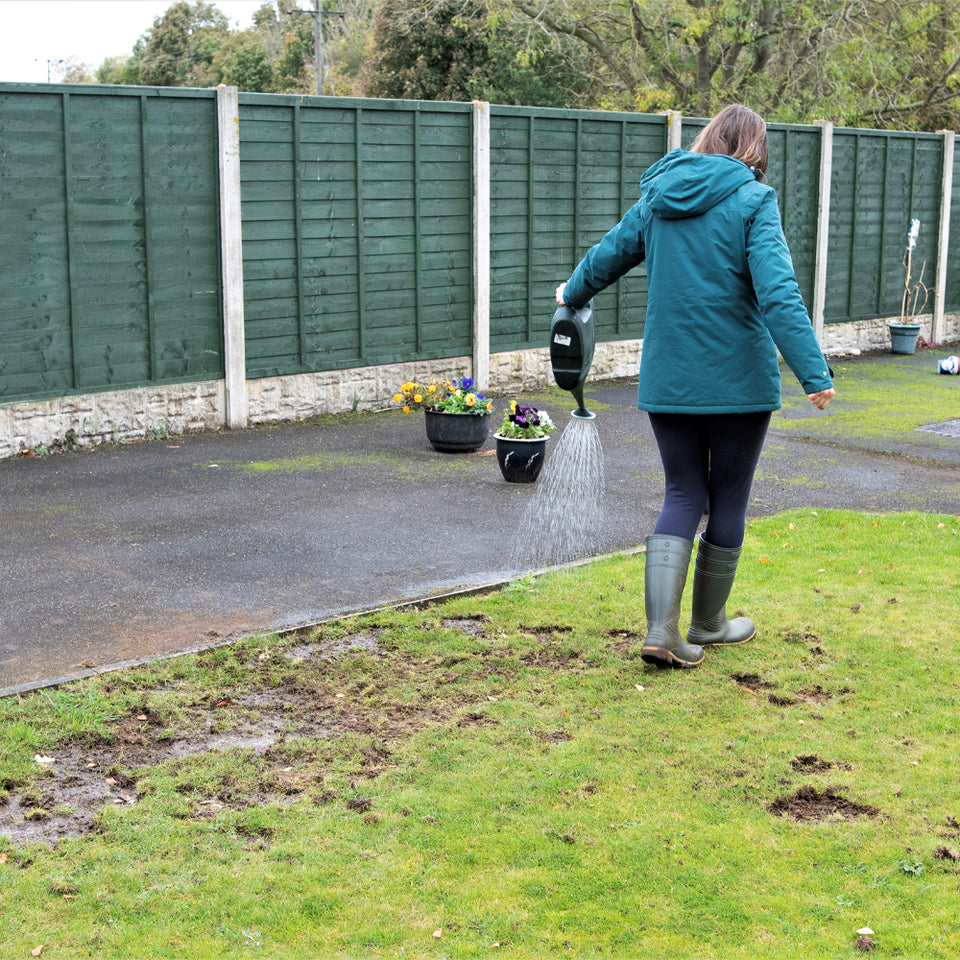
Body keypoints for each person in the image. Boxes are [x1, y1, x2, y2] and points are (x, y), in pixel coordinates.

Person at [556, 103, 835, 670]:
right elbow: (778, 293)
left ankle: (662, 631)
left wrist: (571, 294)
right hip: (739, 384)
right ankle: (707, 624)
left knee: (683, 492)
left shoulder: (658, 199)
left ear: (709, 140)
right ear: (754, 151)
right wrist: (814, 374)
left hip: (670, 377)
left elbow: (606, 257)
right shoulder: (755, 200)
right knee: (727, 495)